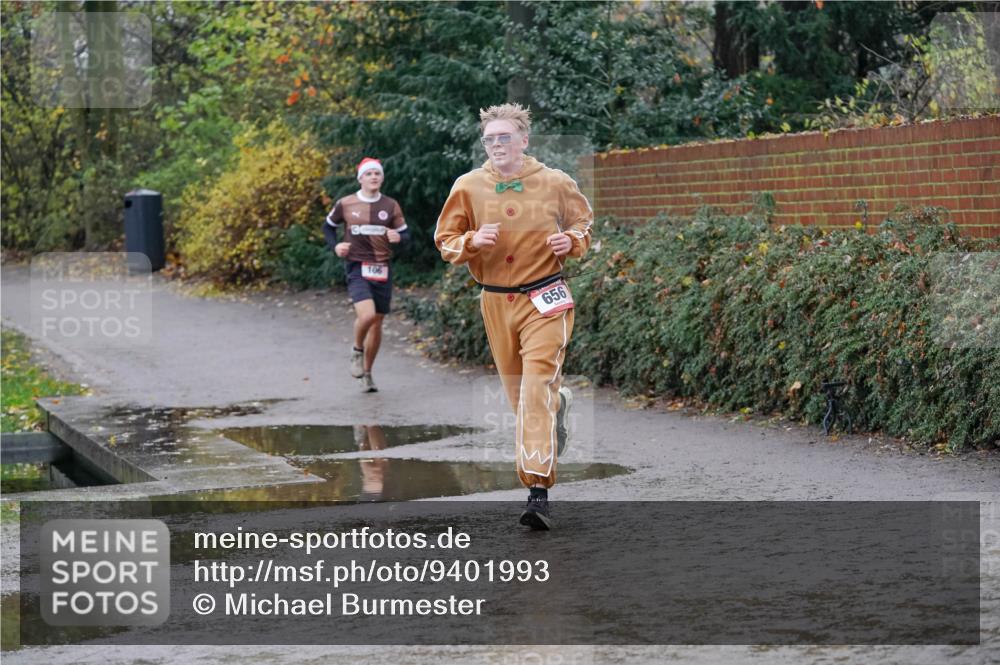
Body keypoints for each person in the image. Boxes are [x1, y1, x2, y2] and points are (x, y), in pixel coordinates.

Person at [434, 103, 593, 530]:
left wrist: (571, 241)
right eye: (490, 139)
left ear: (524, 140)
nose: (497, 145)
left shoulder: (556, 182)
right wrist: (471, 239)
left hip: (546, 297)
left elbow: (584, 224)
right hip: (495, 302)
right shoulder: (467, 187)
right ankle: (557, 406)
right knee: (522, 400)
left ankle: (537, 494)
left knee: (534, 386)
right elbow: (444, 240)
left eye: (505, 137)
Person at [323, 158, 409, 392]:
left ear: (381, 178)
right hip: (356, 266)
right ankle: (356, 349)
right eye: (368, 173)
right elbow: (328, 226)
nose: (373, 177)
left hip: (382, 267)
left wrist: (398, 238)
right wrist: (335, 246)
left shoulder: (390, 205)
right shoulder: (346, 203)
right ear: (360, 178)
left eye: (377, 174)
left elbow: (405, 235)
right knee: (368, 316)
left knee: (378, 322)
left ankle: (368, 373)